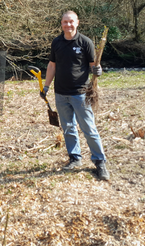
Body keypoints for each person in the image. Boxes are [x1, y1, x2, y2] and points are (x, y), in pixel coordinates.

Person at [41, 10, 109, 180]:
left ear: (77, 23)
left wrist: (98, 71)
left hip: (81, 93)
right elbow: (52, 66)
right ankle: (75, 158)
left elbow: (94, 65)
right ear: (61, 24)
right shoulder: (56, 42)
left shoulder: (85, 42)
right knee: (68, 127)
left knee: (88, 128)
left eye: (71, 22)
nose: (68, 25)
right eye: (65, 22)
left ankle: (99, 162)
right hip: (61, 94)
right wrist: (46, 86)